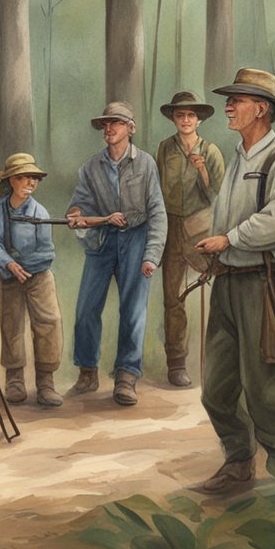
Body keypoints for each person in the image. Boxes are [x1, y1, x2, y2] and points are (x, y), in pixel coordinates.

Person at [192, 67, 275, 495]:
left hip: (264, 285)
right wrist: (218, 250)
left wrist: (230, 238)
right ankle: (238, 463)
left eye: (237, 99)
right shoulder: (238, 157)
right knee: (217, 387)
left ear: (261, 109)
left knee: (269, 387)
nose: (228, 105)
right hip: (228, 282)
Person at [65, 102, 167, 406]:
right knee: (85, 309)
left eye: (117, 123)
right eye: (106, 124)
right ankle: (87, 371)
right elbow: (79, 203)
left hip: (136, 238)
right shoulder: (90, 167)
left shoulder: (146, 164)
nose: (110, 129)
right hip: (101, 240)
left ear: (130, 129)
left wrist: (152, 255)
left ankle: (126, 375)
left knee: (133, 309)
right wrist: (75, 212)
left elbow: (157, 213)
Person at [0, 153, 64, 408]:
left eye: (33, 178)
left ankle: (46, 382)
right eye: (23, 177)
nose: (29, 183)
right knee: (11, 325)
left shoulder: (40, 212)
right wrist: (8, 263)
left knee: (49, 323)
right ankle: (14, 380)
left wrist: (27, 266)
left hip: (38, 277)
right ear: (10, 181)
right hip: (8, 277)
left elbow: (47, 251)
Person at [153, 91, 226, 387]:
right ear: (173, 118)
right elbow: (156, 191)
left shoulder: (211, 151)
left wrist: (203, 172)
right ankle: (176, 364)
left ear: (199, 120)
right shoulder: (165, 149)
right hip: (170, 228)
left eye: (191, 116)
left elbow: (221, 197)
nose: (185, 120)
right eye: (180, 115)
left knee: (217, 292)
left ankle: (221, 360)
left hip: (202, 228)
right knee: (173, 298)